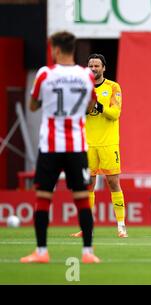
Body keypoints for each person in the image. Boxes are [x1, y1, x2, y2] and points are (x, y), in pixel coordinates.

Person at [21, 31, 100, 263]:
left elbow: (33, 105)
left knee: (44, 197)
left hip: (50, 147)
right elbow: (91, 105)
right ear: (73, 49)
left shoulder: (45, 74)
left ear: (55, 49)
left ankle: (42, 252)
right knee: (83, 199)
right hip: (77, 146)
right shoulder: (86, 75)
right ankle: (88, 253)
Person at [71, 54, 127, 238]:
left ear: (104, 68)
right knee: (89, 185)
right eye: (90, 65)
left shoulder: (113, 87)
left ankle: (121, 226)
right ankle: (87, 228)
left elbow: (115, 113)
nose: (93, 68)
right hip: (88, 144)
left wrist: (98, 106)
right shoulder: (81, 87)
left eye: (97, 65)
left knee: (113, 182)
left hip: (108, 143)